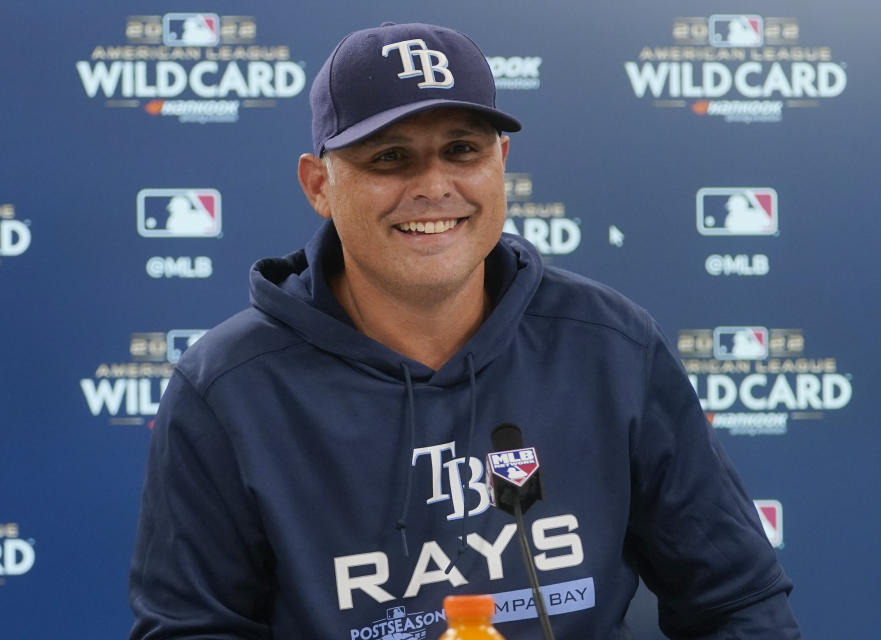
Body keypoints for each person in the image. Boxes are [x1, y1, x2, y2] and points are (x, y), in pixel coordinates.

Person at [129, 22, 802, 639]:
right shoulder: (226, 387)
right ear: (319, 185)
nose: (434, 185)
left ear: (500, 161)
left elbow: (738, 602)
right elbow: (193, 630)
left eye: (462, 150)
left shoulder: (609, 344)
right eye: (390, 158)